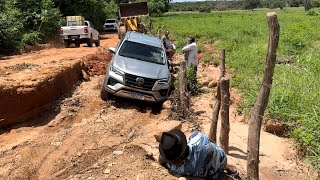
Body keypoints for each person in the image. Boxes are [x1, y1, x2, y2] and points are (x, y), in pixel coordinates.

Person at [158, 129, 238, 180]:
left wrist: (167, 157)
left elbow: (161, 160)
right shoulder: (198, 136)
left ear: (177, 160)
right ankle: (228, 167)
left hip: (214, 175)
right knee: (211, 150)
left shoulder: (184, 169)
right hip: (222, 157)